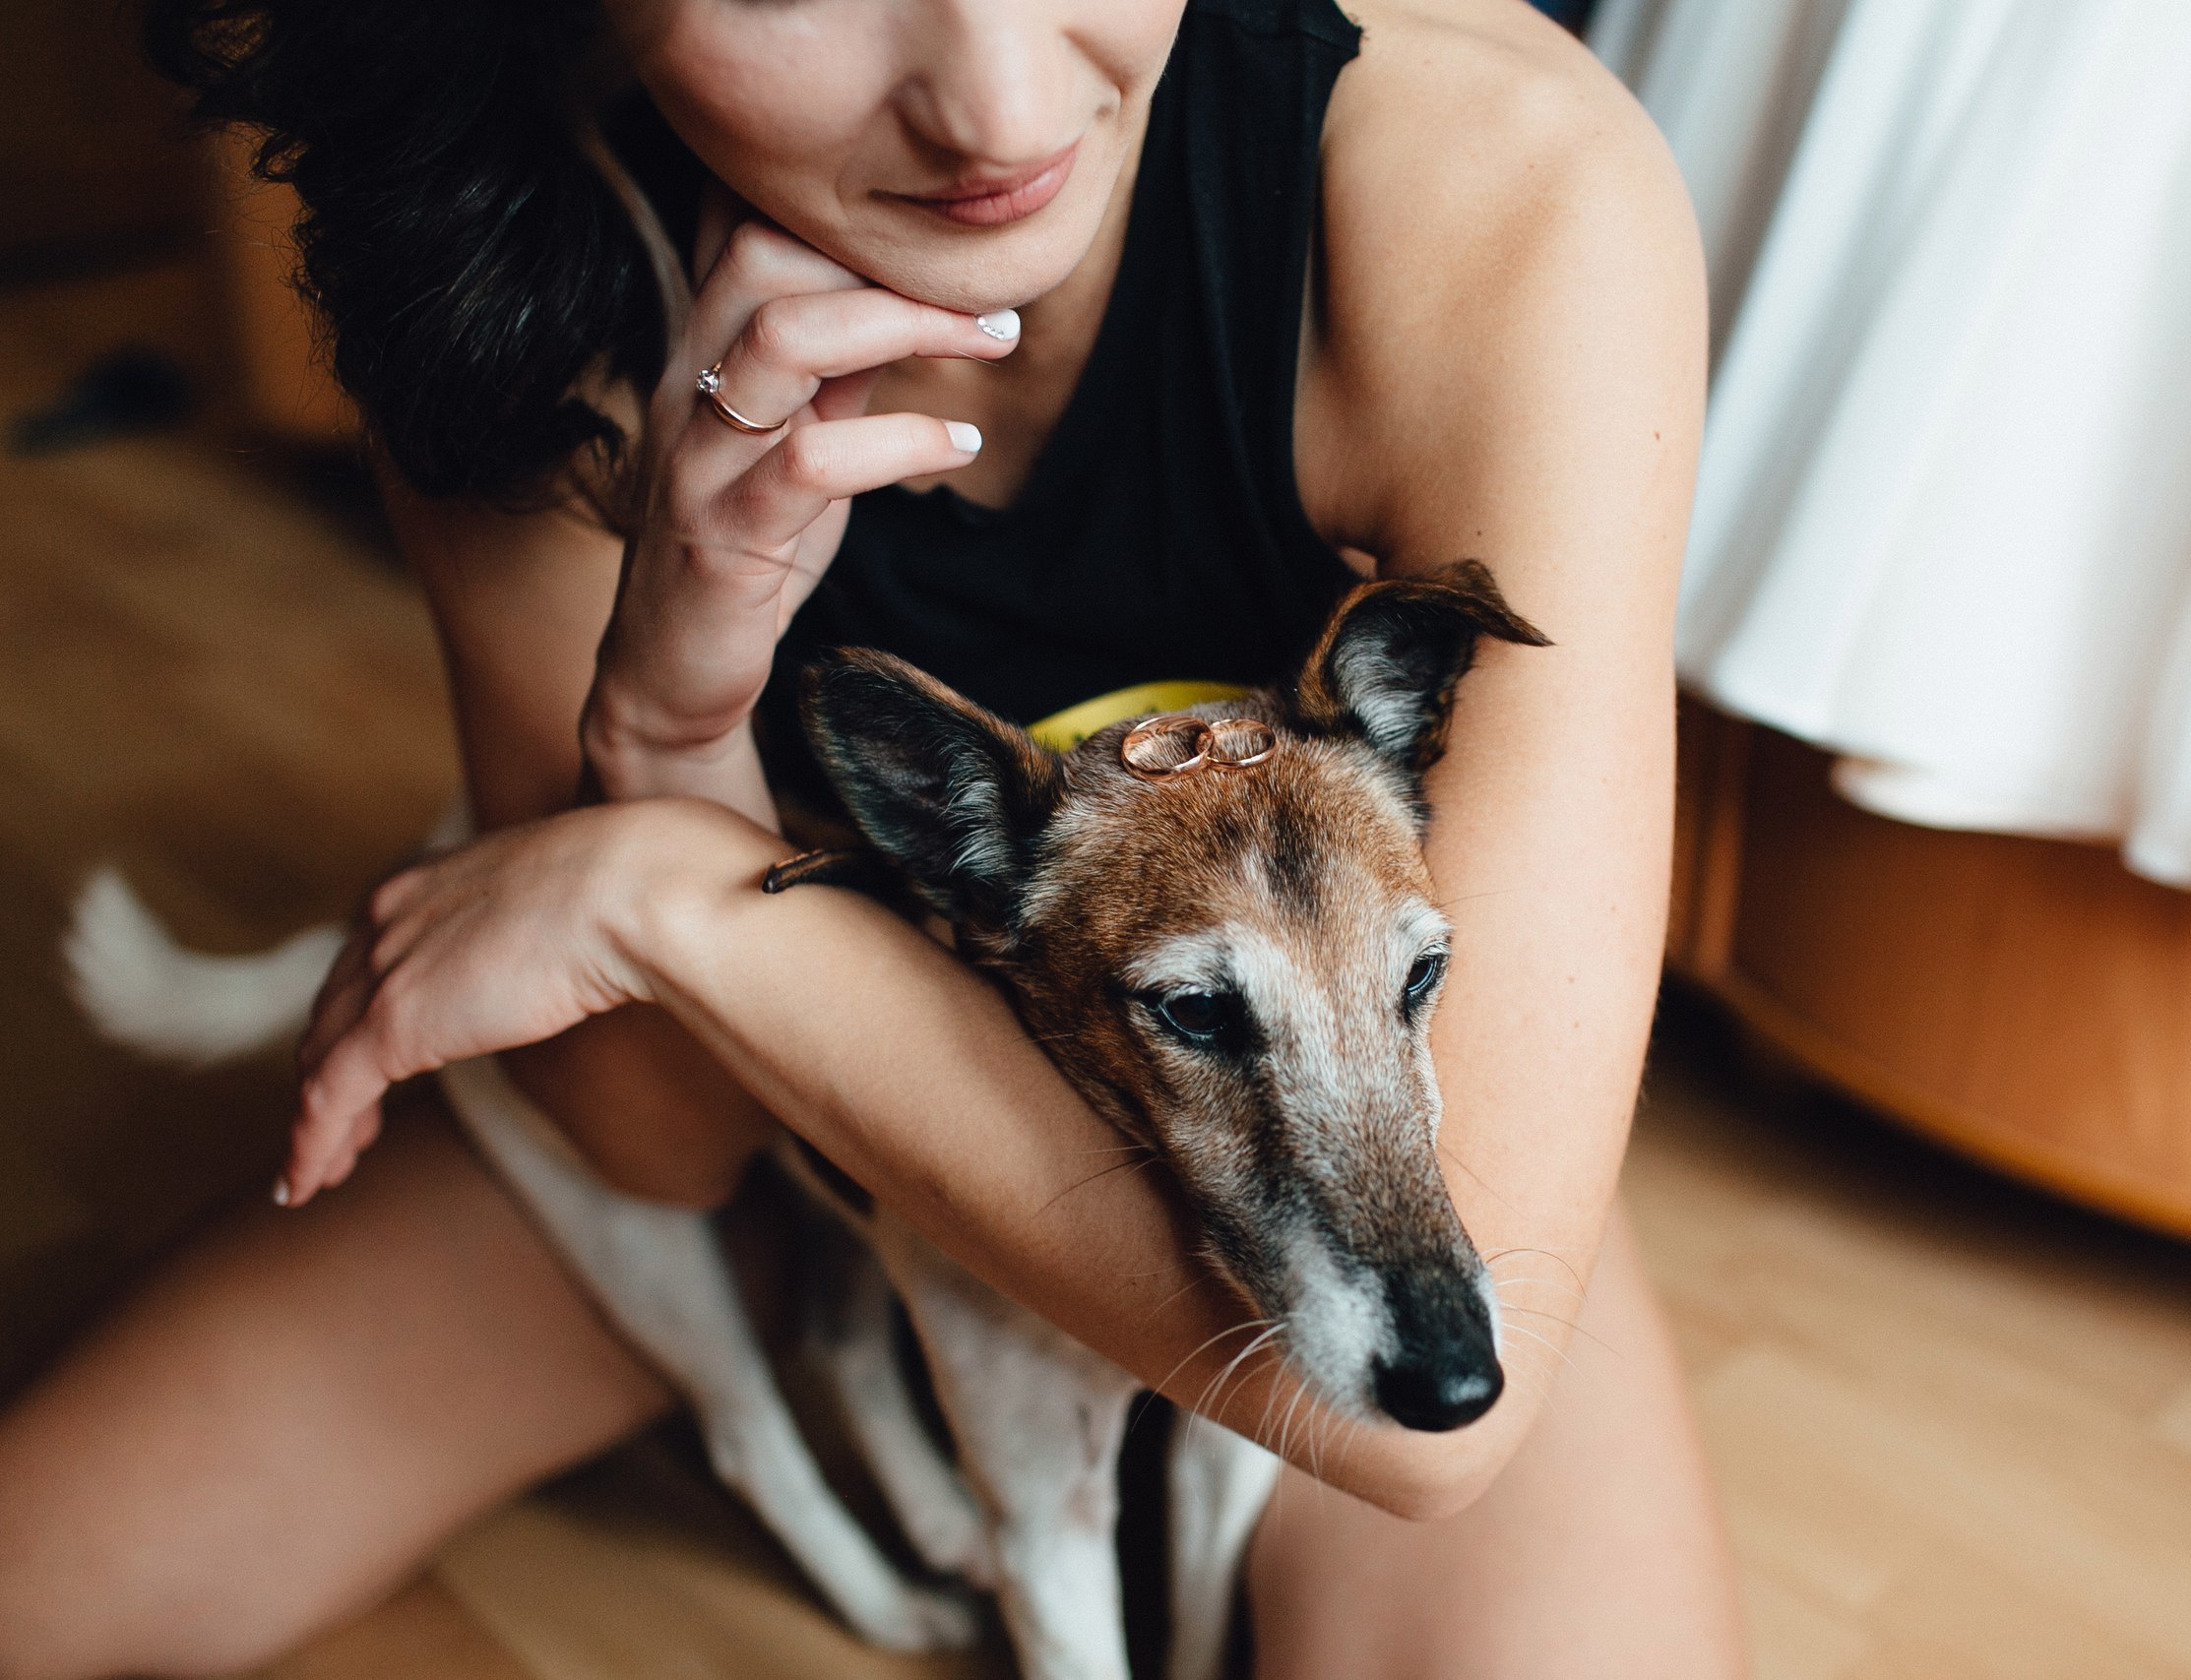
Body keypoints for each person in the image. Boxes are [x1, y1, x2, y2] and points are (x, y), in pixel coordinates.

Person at [0, 1, 1740, 1674]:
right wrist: (666, 724)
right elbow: (660, 1143)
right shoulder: (496, 258)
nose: (993, 104)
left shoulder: (1499, 183)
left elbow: (1432, 1427)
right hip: (751, 1134)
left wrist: (661, 891)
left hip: (1330, 1148)